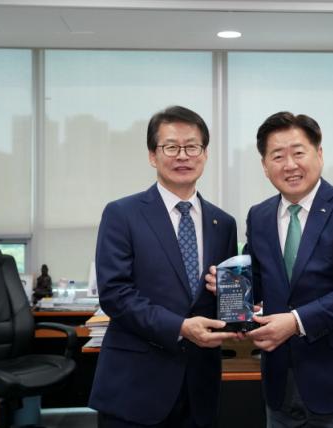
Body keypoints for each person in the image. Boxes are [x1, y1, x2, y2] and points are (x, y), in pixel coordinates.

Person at [89, 106, 238, 428]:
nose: (182, 155)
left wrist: (235, 306)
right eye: (171, 147)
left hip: (199, 387)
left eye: (192, 146)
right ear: (152, 156)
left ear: (205, 154)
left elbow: (223, 300)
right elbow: (115, 294)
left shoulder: (223, 223)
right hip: (135, 385)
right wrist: (179, 327)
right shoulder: (122, 214)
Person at [245, 111, 333, 427]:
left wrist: (295, 322)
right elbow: (257, 280)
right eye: (277, 156)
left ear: (319, 154)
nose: (289, 165)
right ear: (265, 166)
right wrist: (229, 285)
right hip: (280, 382)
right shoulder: (259, 216)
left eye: (298, 153)